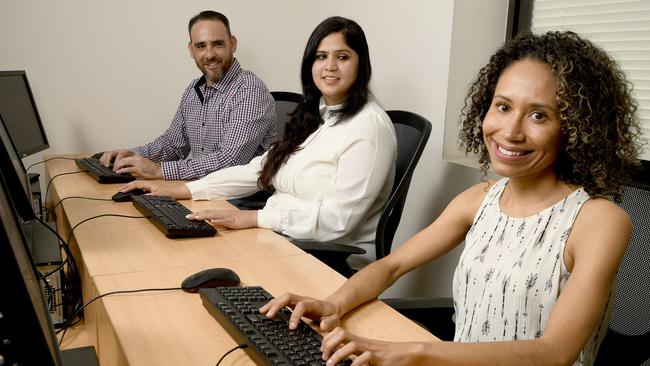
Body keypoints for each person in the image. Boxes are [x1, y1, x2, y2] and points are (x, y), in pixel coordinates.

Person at [259, 31, 642, 366]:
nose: (510, 131)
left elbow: (554, 352)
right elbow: (392, 267)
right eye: (503, 106)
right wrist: (334, 303)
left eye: (539, 116)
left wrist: (411, 353)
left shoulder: (598, 220)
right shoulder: (480, 199)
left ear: (575, 130)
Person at [120, 16, 397, 266]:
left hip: (325, 260)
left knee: (194, 262)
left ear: (361, 63)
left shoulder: (368, 127)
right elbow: (258, 168)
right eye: (321, 56)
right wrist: (184, 191)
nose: (330, 67)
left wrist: (254, 218)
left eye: (343, 57)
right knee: (175, 253)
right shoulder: (316, 116)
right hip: (280, 239)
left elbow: (338, 221)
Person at [100, 10, 277, 180]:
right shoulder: (194, 89)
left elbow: (229, 162)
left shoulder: (250, 91)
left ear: (232, 44)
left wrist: (158, 170)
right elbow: (173, 144)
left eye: (218, 44)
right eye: (201, 46)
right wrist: (131, 156)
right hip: (203, 192)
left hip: (240, 203)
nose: (209, 54)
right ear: (191, 50)